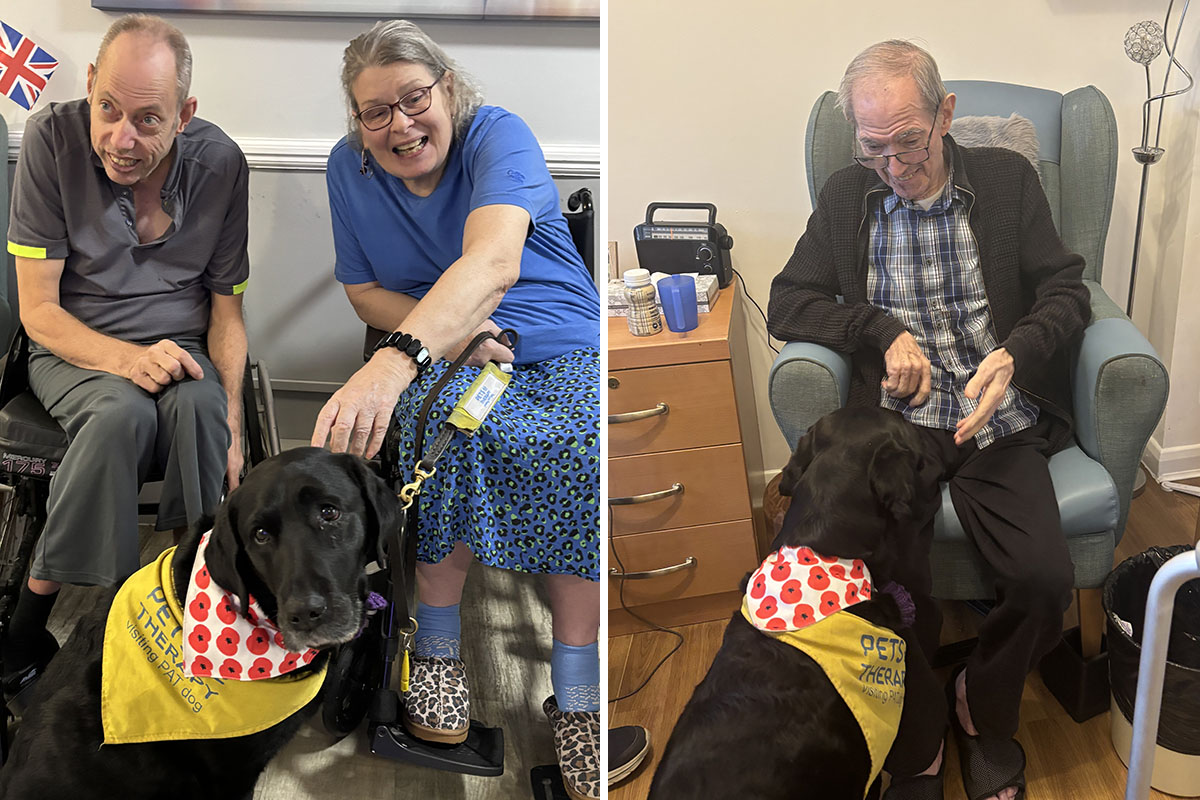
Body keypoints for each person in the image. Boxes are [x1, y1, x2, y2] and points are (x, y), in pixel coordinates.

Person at [768, 40, 1090, 800]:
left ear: (945, 117)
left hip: (991, 416)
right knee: (886, 591)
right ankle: (916, 743)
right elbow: (788, 302)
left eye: (907, 141)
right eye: (872, 146)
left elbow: (1068, 291)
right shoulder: (851, 196)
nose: (892, 165)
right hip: (893, 429)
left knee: (1045, 580)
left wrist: (1014, 352)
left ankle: (981, 702)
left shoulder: (1009, 183)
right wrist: (878, 330)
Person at [311, 20, 600, 799]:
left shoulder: (497, 136)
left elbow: (494, 261)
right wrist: (442, 336)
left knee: (580, 450)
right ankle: (435, 652)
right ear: (357, 122)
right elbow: (363, 287)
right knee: (442, 440)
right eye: (376, 112)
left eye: (415, 98)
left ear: (448, 89)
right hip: (448, 347)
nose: (400, 124)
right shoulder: (349, 170)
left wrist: (397, 357)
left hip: (556, 340)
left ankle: (578, 693)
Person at [2, 14, 248, 708]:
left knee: (201, 410)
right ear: (89, 86)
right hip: (73, 346)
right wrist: (125, 360)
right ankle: (45, 629)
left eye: (149, 119)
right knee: (115, 416)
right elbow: (39, 312)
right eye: (108, 109)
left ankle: (190, 599)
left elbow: (226, 311)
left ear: (185, 114)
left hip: (183, 352)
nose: (121, 138)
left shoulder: (222, 165)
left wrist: (232, 416)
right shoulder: (52, 141)